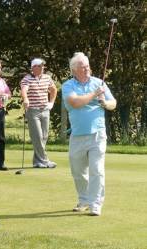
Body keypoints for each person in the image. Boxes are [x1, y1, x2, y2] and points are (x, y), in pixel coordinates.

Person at [62, 52, 116, 216]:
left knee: (97, 169)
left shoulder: (99, 82)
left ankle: (95, 204)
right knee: (78, 171)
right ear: (74, 70)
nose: (86, 69)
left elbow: (113, 103)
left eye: (87, 66)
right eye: (81, 67)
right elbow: (75, 102)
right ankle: (84, 199)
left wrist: (105, 102)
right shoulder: (68, 86)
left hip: (97, 134)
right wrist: (94, 94)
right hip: (77, 135)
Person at [20, 58, 57, 168]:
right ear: (33, 68)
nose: (42, 68)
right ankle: (45, 161)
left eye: (42, 66)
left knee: (44, 137)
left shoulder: (47, 78)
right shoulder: (27, 79)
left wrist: (51, 103)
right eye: (39, 66)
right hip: (33, 111)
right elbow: (24, 90)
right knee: (37, 136)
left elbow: (54, 90)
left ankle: (38, 162)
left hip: (45, 110)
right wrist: (25, 99)